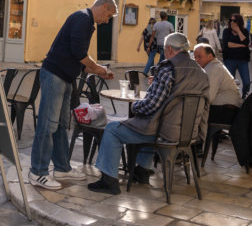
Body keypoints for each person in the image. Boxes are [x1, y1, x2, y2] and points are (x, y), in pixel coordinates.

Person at [88, 33, 209, 195]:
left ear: (169, 50)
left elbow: (151, 105)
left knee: (113, 129)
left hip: (164, 132)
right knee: (151, 123)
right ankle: (142, 170)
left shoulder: (168, 69)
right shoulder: (202, 73)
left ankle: (109, 180)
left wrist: (136, 106)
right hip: (189, 135)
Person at [27, 0, 118, 190]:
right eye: (109, 15)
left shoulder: (86, 22)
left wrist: (100, 69)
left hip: (65, 78)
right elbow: (79, 54)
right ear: (103, 7)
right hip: (55, 76)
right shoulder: (82, 19)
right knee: (47, 125)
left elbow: (80, 60)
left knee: (61, 125)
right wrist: (100, 69)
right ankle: (37, 172)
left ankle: (61, 168)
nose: (107, 20)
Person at [193, 43, 242, 124]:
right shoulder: (212, 66)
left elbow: (208, 97)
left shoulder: (213, 68)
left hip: (227, 111)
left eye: (199, 57)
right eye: (195, 57)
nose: (196, 60)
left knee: (192, 115)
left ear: (210, 56)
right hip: (227, 108)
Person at [221, 13, 251, 98]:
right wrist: (241, 45)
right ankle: (232, 99)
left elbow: (246, 42)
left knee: (246, 82)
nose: (231, 22)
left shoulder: (244, 31)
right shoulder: (226, 31)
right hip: (230, 59)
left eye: (234, 20)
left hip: (243, 60)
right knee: (230, 82)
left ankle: (244, 97)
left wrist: (238, 31)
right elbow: (228, 44)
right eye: (230, 20)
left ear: (239, 21)